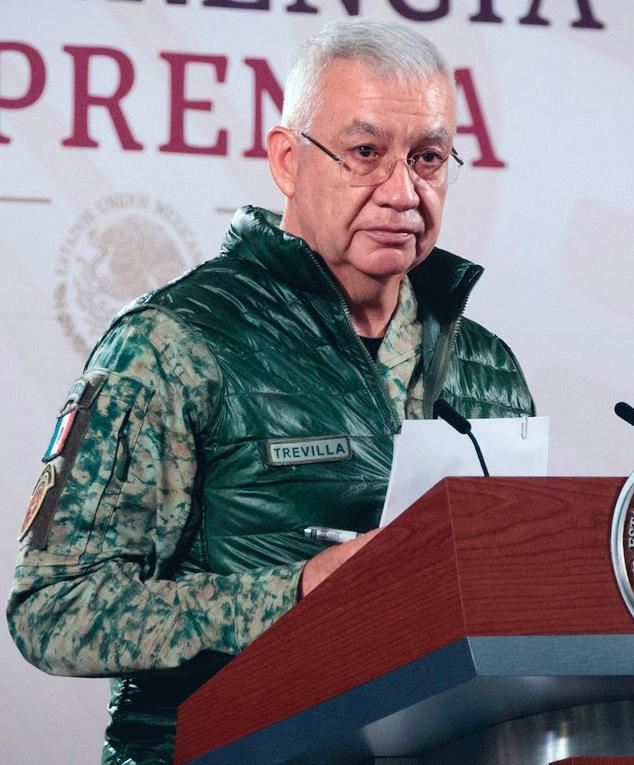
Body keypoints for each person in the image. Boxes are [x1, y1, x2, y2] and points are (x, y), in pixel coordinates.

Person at [7, 19, 535, 765]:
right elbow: (55, 611)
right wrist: (298, 593)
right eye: (365, 153)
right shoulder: (174, 342)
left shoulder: (488, 368)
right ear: (287, 160)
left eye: (427, 158)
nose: (402, 191)